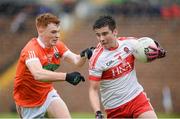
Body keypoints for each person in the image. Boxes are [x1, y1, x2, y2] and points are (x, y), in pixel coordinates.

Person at [13, 13, 93, 118]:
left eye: (58, 32)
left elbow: (76, 61)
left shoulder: (57, 45)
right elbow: (38, 74)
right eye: (53, 32)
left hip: (47, 95)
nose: (57, 36)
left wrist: (84, 55)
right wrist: (67, 76)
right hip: (28, 103)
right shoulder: (31, 49)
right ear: (40, 31)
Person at [88, 15, 166, 118]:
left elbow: (145, 49)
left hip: (137, 99)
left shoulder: (130, 43)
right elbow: (93, 89)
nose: (101, 39)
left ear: (115, 32)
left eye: (105, 34)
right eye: (98, 35)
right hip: (115, 108)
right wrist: (97, 112)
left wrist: (155, 53)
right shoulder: (97, 59)